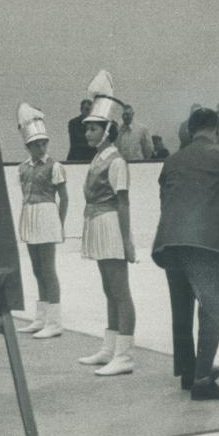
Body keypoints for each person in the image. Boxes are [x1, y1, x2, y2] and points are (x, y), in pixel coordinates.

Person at [152, 106, 219, 401]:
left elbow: (164, 199)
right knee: (215, 309)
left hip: (168, 241)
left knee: (181, 309)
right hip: (203, 241)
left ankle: (188, 371)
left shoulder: (172, 160)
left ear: (190, 130)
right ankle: (203, 380)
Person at [76, 72, 137, 376]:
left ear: (107, 130)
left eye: (93, 128)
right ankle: (109, 347)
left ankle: (125, 355)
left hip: (112, 226)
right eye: (87, 128)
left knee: (120, 290)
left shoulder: (116, 161)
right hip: (98, 224)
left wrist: (127, 241)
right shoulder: (98, 157)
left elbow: (123, 202)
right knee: (108, 289)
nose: (87, 132)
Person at [15, 103, 68, 339]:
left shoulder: (55, 166)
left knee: (48, 268)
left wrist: (60, 223)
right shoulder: (22, 168)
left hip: (47, 215)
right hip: (30, 215)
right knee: (37, 269)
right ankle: (41, 317)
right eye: (36, 144)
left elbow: (64, 198)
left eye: (43, 143)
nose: (41, 147)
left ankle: (55, 321)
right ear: (28, 146)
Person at [67, 99, 96, 164]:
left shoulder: (95, 124)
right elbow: (77, 140)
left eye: (91, 110)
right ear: (81, 110)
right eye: (87, 109)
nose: (89, 112)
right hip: (76, 158)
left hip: (91, 158)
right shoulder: (73, 123)